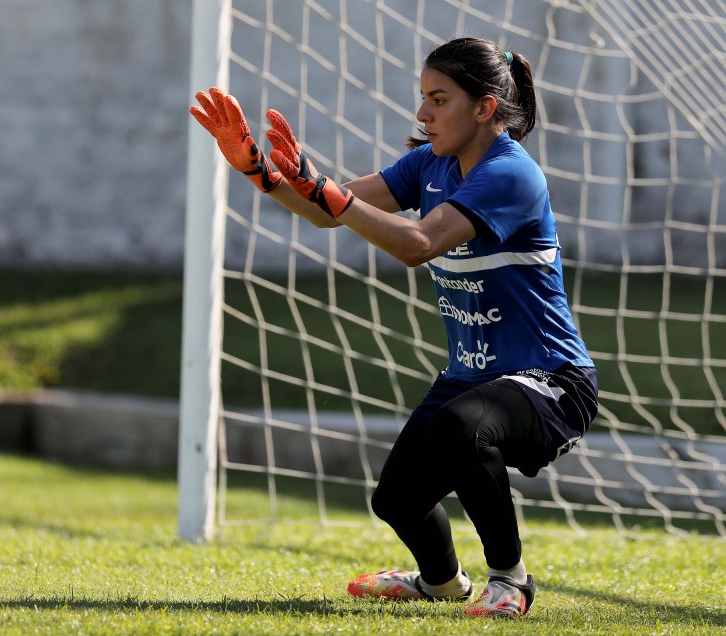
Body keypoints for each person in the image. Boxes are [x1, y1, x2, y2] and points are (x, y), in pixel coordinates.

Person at [189, 36, 598, 618]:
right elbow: (328, 211)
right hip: (471, 378)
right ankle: (440, 583)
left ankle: (511, 580)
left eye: (439, 98)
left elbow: (419, 244)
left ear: (485, 108)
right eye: (422, 96)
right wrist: (262, 172)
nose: (422, 113)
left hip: (551, 380)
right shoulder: (429, 164)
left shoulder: (510, 174)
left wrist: (330, 192)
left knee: (462, 429)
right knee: (397, 500)